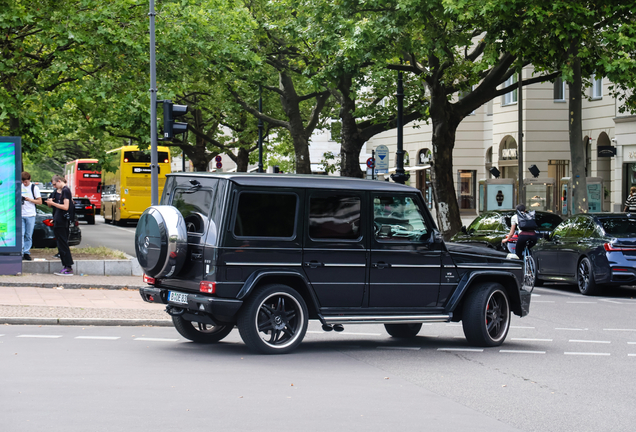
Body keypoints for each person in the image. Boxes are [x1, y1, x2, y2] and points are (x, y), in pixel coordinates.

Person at [46, 175, 74, 276]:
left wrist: (53, 204)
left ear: (59, 181)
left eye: (54, 184)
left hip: (62, 221)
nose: (54, 186)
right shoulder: (59, 191)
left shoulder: (65, 190)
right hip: (58, 220)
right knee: (61, 243)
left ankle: (68, 267)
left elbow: (65, 207)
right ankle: (66, 266)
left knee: (63, 244)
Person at [21, 172, 42, 260]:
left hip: (30, 214)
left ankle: (26, 252)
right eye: (23, 182)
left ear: (29, 180)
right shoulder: (19, 186)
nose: (24, 184)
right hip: (21, 214)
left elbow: (40, 202)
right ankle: (21, 251)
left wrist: (30, 199)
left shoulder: (34, 188)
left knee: (28, 234)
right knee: (21, 234)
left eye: (26, 182)